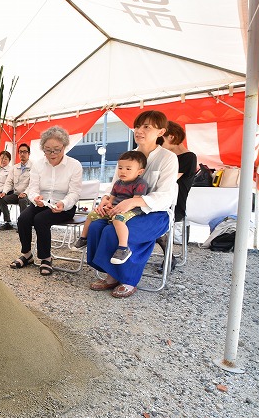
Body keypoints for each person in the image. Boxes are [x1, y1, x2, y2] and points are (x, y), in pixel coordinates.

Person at [86, 110, 178, 298]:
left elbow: (166, 196)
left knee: (114, 231)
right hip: (122, 209)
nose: (139, 130)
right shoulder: (129, 155)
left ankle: (128, 279)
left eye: (146, 127)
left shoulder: (168, 158)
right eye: (137, 126)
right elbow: (113, 187)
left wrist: (135, 201)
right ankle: (111, 275)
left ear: (161, 132)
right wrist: (105, 201)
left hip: (155, 214)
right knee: (96, 226)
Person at [8, 127, 82, 276]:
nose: (52, 154)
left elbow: (74, 193)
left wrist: (64, 203)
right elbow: (33, 188)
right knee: (23, 218)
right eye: (47, 150)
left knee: (41, 219)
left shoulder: (74, 165)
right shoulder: (38, 165)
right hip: (42, 203)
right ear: (43, 149)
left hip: (64, 206)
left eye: (56, 150)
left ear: (64, 146)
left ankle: (46, 258)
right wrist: (35, 197)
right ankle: (27, 254)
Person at [73, 151, 149, 264]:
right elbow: (111, 198)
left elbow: (135, 201)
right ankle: (84, 238)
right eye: (120, 168)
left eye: (128, 169)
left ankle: (123, 247)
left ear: (140, 171)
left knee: (118, 219)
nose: (123, 171)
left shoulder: (140, 183)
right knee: (92, 214)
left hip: (131, 210)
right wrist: (108, 205)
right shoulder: (118, 183)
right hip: (114, 207)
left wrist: (117, 209)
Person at [160, 121, 197, 244]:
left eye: (160, 140)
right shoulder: (167, 157)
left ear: (171, 137)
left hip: (173, 206)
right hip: (162, 202)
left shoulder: (188, 157)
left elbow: (166, 181)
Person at [0, 143, 32, 230]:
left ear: (29, 154)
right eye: (20, 152)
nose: (22, 154)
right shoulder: (14, 167)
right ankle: (8, 222)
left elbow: (33, 184)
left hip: (29, 195)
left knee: (22, 200)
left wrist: (25, 193)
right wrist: (4, 192)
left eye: (25, 152)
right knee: (1, 199)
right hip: (16, 194)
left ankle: (23, 224)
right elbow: (9, 182)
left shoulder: (34, 167)